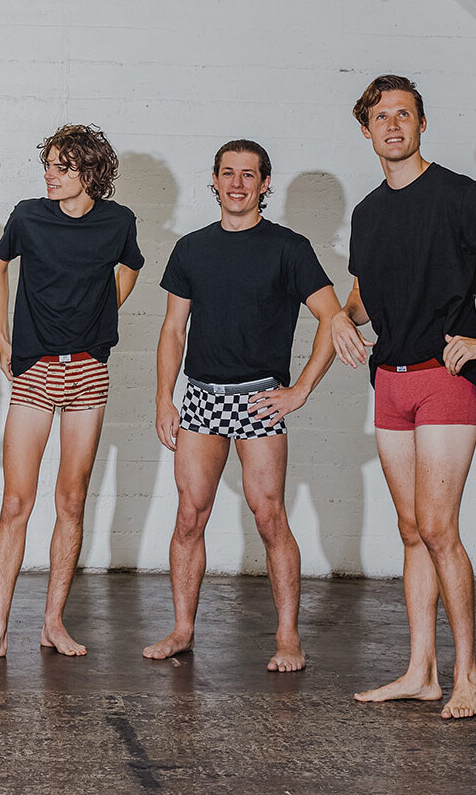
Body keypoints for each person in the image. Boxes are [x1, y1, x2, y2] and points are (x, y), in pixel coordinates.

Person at [143, 139, 339, 672]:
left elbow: (333, 317)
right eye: (228, 173)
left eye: (248, 175)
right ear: (214, 180)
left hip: (259, 400)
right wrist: (164, 397)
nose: (237, 183)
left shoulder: (289, 248)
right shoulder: (191, 249)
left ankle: (288, 636)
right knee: (190, 515)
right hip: (202, 397)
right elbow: (173, 329)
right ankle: (183, 629)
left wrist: (300, 390)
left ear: (264, 184)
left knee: (269, 515)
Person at [0, 125, 142, 662]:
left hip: (89, 371)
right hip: (35, 369)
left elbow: (131, 267)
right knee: (17, 501)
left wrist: (103, 309)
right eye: (49, 165)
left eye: (62, 167)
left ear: (90, 172)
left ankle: (53, 624)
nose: (50, 175)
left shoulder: (118, 222)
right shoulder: (28, 216)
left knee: (71, 500)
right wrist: (2, 336)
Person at [332, 75, 476, 719]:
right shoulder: (367, 212)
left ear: (421, 123)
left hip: (445, 377)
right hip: (389, 381)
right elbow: (363, 296)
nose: (393, 125)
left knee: (440, 528)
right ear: (366, 130)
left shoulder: (460, 196)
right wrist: (340, 317)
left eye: (404, 114)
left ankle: (468, 675)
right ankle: (422, 672)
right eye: (381, 116)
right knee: (413, 529)